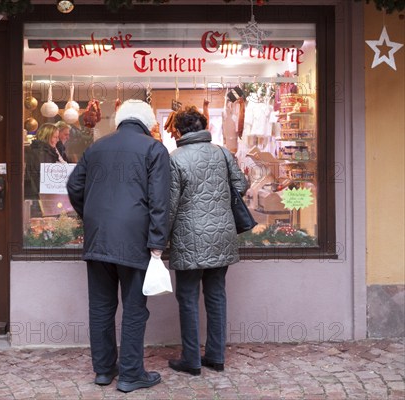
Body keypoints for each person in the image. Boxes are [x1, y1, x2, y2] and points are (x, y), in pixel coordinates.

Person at [66, 100, 170, 393]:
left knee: (100, 306)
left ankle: (103, 370)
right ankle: (131, 373)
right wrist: (158, 244)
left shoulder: (96, 147)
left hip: (98, 236)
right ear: (148, 123)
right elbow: (160, 201)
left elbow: (74, 186)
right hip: (135, 239)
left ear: (120, 120)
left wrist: (91, 214)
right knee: (135, 308)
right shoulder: (154, 149)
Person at [167, 105, 248, 376]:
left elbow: (169, 204)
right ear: (205, 127)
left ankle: (191, 359)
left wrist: (160, 238)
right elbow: (242, 185)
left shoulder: (175, 158)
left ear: (178, 130)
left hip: (188, 236)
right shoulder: (222, 153)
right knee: (216, 295)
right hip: (221, 235)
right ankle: (216, 356)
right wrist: (220, 200)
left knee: (188, 297)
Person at [24, 123, 64, 202]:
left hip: (36, 193)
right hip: (39, 195)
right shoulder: (42, 153)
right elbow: (43, 177)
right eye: (55, 137)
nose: (58, 140)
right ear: (47, 137)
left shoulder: (45, 151)